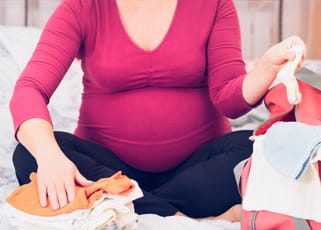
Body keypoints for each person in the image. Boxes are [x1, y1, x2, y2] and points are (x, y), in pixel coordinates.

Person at [9, 0, 305, 223]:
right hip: (107, 171)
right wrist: (50, 158)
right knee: (29, 153)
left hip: (197, 170)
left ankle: (131, 206)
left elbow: (229, 100)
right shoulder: (82, 7)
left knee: (260, 148)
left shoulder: (214, 4)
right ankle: (179, 217)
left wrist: (267, 67)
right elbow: (29, 89)